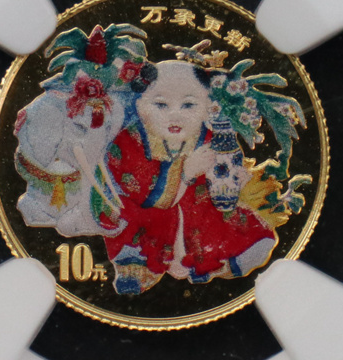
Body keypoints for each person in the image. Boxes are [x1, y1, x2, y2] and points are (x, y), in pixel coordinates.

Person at [95, 60, 277, 294]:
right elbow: (149, 198)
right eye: (161, 105)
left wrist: (232, 181)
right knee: (141, 223)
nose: (175, 115)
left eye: (189, 105)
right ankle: (142, 269)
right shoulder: (129, 142)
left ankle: (211, 264)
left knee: (250, 236)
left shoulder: (208, 137)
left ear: (207, 106)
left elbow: (222, 174)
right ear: (141, 107)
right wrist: (186, 174)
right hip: (148, 216)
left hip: (197, 213)